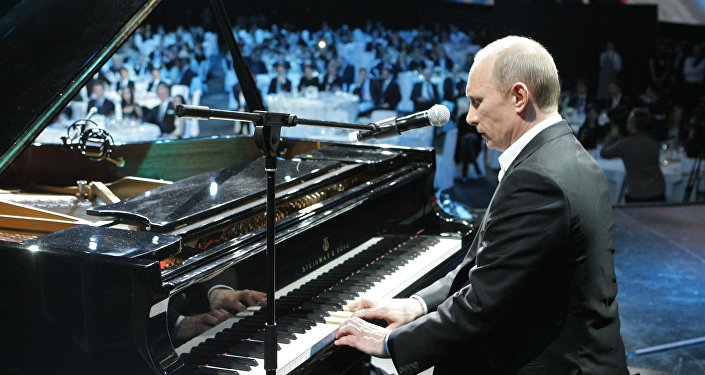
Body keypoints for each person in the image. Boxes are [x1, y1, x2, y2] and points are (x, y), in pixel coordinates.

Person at [335, 35, 629, 375]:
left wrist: (388, 344)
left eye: (478, 101)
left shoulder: (538, 178)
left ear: (519, 96)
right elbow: (488, 270)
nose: (471, 118)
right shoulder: (561, 154)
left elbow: (483, 303)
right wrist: (416, 305)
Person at [601, 108, 666, 203]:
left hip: (637, 194)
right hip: (658, 191)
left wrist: (613, 135)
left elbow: (604, 152)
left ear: (633, 124)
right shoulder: (654, 143)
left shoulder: (625, 144)